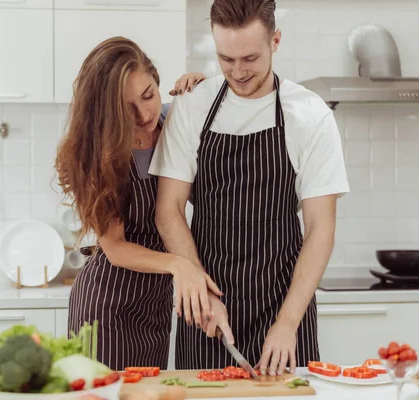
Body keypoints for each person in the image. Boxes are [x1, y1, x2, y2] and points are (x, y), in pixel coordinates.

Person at [149, 0, 350, 375]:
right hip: (207, 309)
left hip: (285, 303)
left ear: (275, 41)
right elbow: (169, 211)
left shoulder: (310, 115)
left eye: (250, 59)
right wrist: (203, 293)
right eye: (226, 59)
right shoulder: (192, 106)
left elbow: (321, 229)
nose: (238, 72)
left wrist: (288, 322)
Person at [54, 36, 220, 371]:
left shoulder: (176, 123)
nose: (145, 114)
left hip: (155, 308)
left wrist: (204, 90)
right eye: (127, 108)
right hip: (106, 310)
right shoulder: (100, 156)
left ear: (158, 83)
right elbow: (114, 248)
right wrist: (179, 264)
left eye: (149, 95)